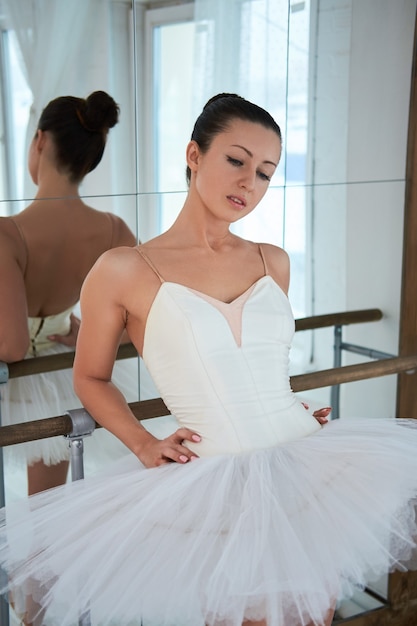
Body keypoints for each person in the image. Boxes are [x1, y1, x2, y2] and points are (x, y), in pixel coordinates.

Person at [0, 93, 417, 626]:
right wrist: (144, 444)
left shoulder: (274, 261)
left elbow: (261, 363)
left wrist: (289, 405)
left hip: (302, 457)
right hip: (214, 479)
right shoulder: (124, 268)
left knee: (316, 613)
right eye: (236, 160)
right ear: (194, 155)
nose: (250, 183)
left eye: (266, 172)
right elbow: (90, 377)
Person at [0, 90, 144, 498]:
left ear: (40, 141)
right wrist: (96, 337)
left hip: (16, 379)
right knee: (47, 505)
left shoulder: (7, 234)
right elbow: (148, 324)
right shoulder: (113, 230)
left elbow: (11, 345)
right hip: (61, 376)